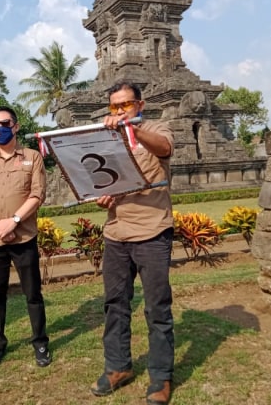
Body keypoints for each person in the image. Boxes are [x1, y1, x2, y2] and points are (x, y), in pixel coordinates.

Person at [90, 80, 175, 405]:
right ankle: (117, 367)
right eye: (115, 107)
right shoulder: (106, 137)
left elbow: (164, 148)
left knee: (157, 309)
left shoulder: (156, 128)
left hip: (152, 231)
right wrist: (102, 196)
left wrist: (132, 129)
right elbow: (102, 178)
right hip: (115, 233)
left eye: (126, 105)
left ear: (140, 104)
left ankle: (160, 377)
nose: (120, 111)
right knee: (115, 304)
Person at [0, 105, 51, 369]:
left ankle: (40, 342)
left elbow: (37, 195)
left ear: (15, 126)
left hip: (24, 237)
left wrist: (14, 221)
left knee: (33, 294)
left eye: (4, 123)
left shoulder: (31, 157)